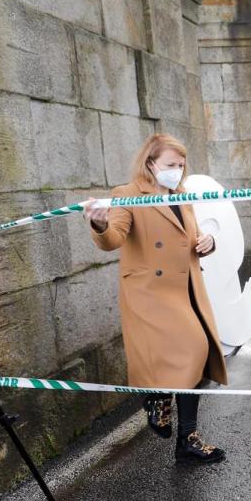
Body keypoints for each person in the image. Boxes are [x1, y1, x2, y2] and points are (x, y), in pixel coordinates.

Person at [82, 134, 227, 464]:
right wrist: (99, 223)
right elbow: (113, 239)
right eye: (170, 165)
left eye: (181, 165)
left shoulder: (182, 195)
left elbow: (188, 236)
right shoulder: (128, 194)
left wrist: (208, 240)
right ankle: (157, 397)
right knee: (195, 347)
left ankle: (187, 438)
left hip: (187, 287)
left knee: (201, 357)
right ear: (150, 163)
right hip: (151, 293)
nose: (177, 170)